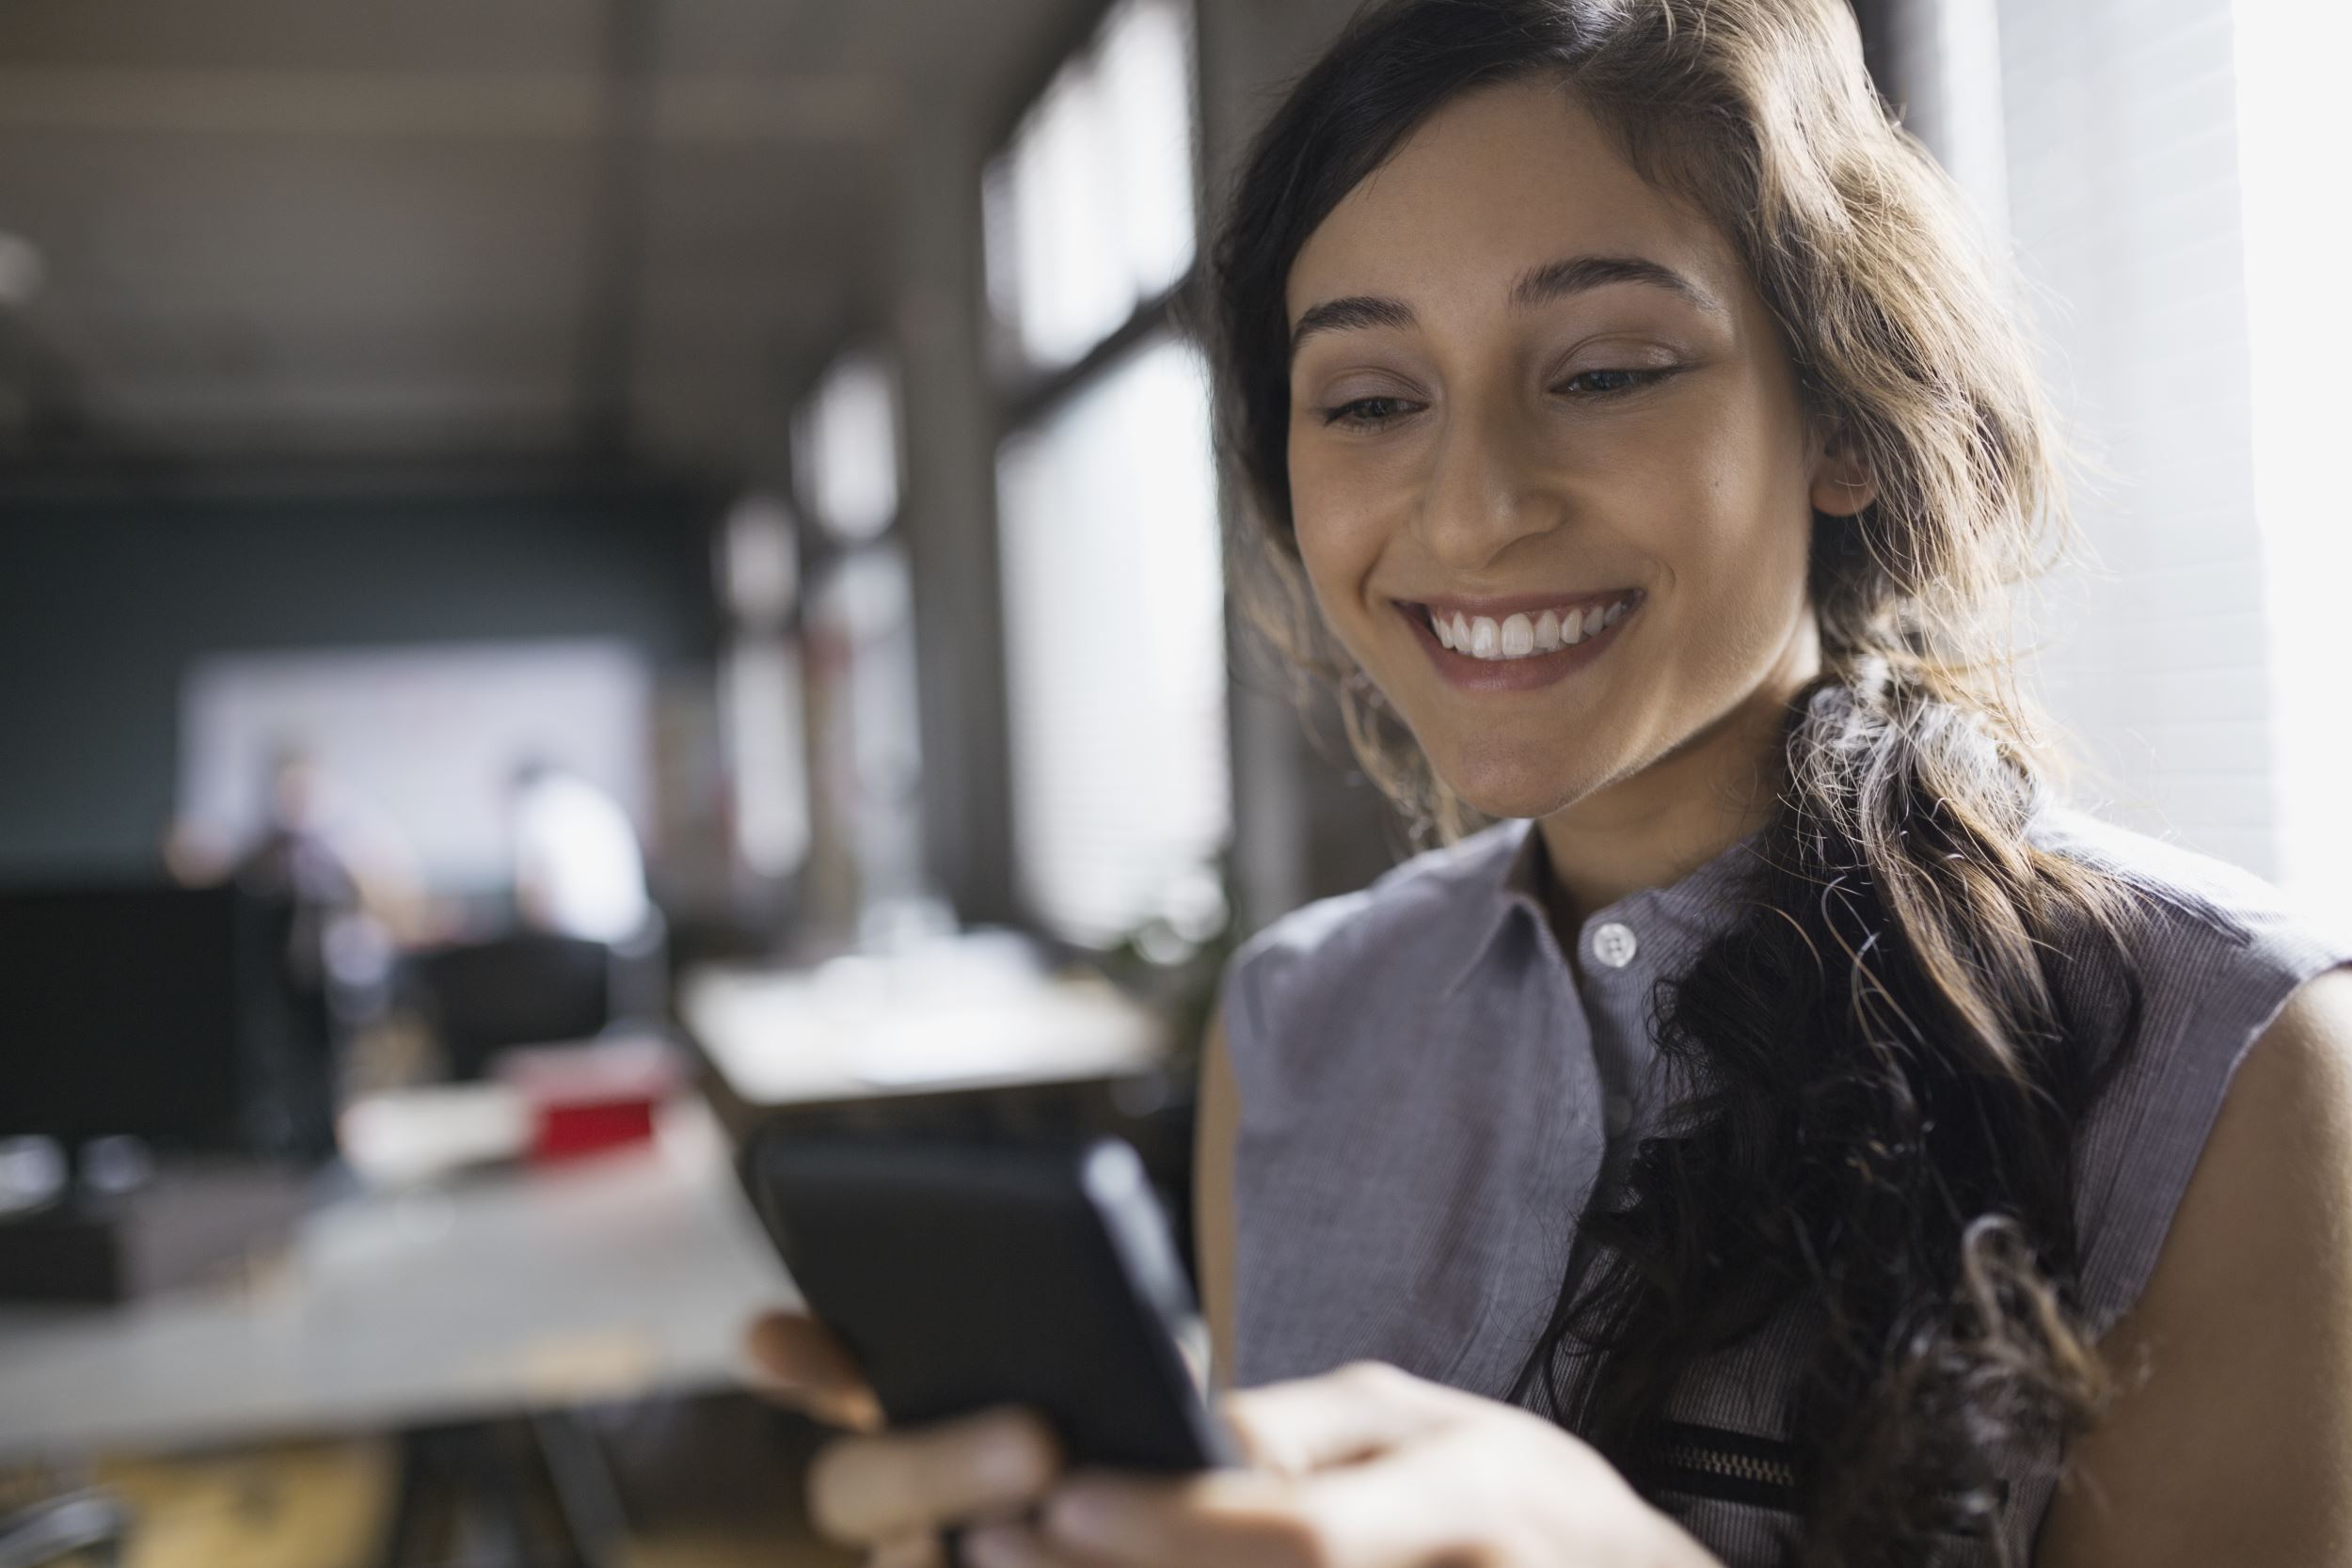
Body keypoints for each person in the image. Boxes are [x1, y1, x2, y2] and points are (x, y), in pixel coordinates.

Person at [744, 1, 2352, 1563]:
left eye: (1604, 370)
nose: (1469, 513)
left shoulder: (2227, 1063)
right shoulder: (1296, 1022)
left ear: (1841, 423)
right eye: (1370, 402)